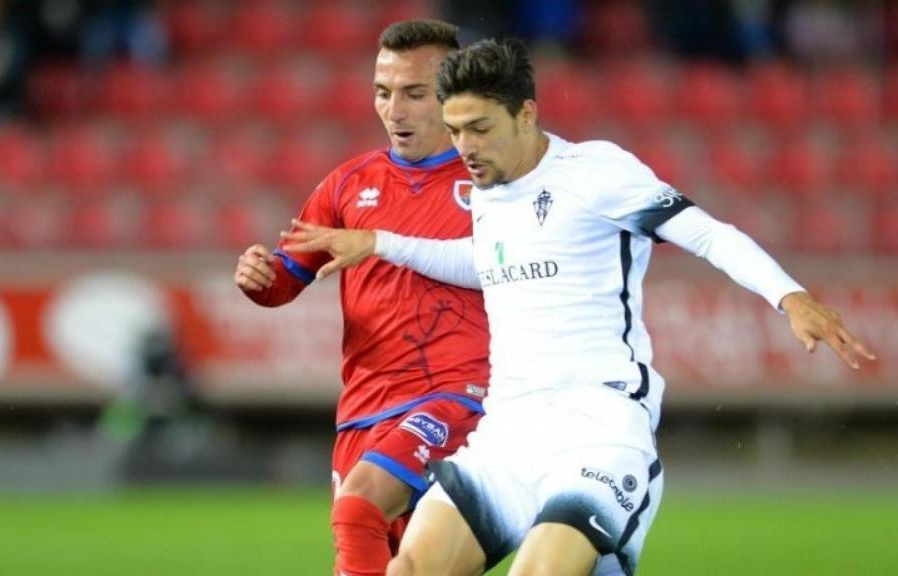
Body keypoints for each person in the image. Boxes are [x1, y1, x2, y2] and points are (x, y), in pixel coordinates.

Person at [281, 38, 877, 576]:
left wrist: (789, 296)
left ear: (527, 113)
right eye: (456, 129)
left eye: (481, 128)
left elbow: (707, 233)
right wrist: (380, 242)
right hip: (508, 432)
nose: (465, 147)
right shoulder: (490, 190)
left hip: (597, 427)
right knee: (408, 567)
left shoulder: (595, 173)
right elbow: (487, 265)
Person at [232, 20, 490, 576]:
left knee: (358, 507)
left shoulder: (493, 186)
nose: (394, 110)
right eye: (383, 92)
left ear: (451, 96)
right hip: (364, 412)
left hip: (457, 397)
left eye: (414, 94)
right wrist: (260, 277)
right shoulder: (349, 184)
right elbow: (287, 277)